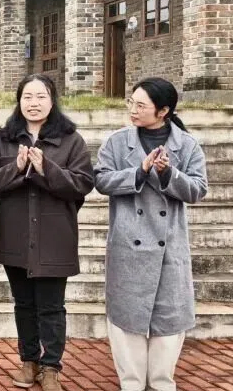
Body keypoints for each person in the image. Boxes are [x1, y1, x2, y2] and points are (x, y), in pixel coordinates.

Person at [95, 77, 207, 391]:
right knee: (126, 324)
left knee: (169, 323)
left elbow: (198, 189)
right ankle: (131, 385)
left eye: (141, 105)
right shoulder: (117, 142)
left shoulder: (187, 145)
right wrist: (140, 171)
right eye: (131, 102)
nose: (133, 109)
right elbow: (101, 180)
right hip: (128, 247)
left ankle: (161, 384)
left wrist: (168, 173)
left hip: (169, 248)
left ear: (163, 111)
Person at [0, 75, 94, 391]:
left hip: (54, 236)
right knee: (23, 304)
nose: (34, 103)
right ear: (19, 100)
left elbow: (83, 184)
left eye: (41, 96)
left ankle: (51, 368)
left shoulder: (71, 140)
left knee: (51, 307)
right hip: (15, 233)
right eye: (28, 97)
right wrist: (17, 167)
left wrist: (47, 168)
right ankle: (29, 361)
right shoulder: (3, 139)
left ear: (52, 99)